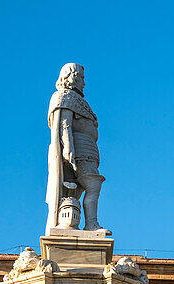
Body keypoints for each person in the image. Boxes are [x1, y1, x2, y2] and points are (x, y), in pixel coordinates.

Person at [45, 62, 106, 233]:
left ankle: (84, 223)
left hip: (89, 150)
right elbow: (64, 125)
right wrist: (68, 147)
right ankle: (91, 223)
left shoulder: (79, 101)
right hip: (79, 149)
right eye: (81, 78)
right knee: (93, 185)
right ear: (71, 77)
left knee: (79, 189)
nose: (83, 82)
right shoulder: (64, 96)